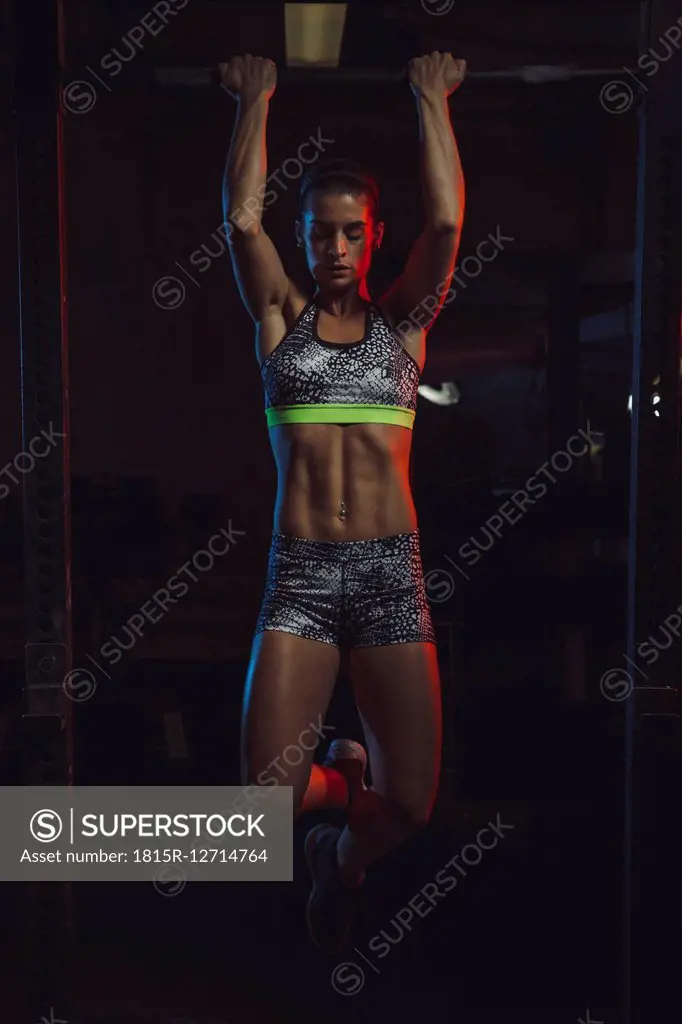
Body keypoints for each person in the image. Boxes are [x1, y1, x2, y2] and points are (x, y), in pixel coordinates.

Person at [220, 50, 466, 953]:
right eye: (320, 232)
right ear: (306, 233)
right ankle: (334, 783)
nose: (333, 248)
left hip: (386, 574)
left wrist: (430, 98)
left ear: (372, 237)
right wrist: (258, 98)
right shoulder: (279, 322)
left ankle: (343, 860)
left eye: (351, 233)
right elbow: (241, 222)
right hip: (303, 577)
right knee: (263, 797)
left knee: (411, 803)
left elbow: (445, 223)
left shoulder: (403, 330)